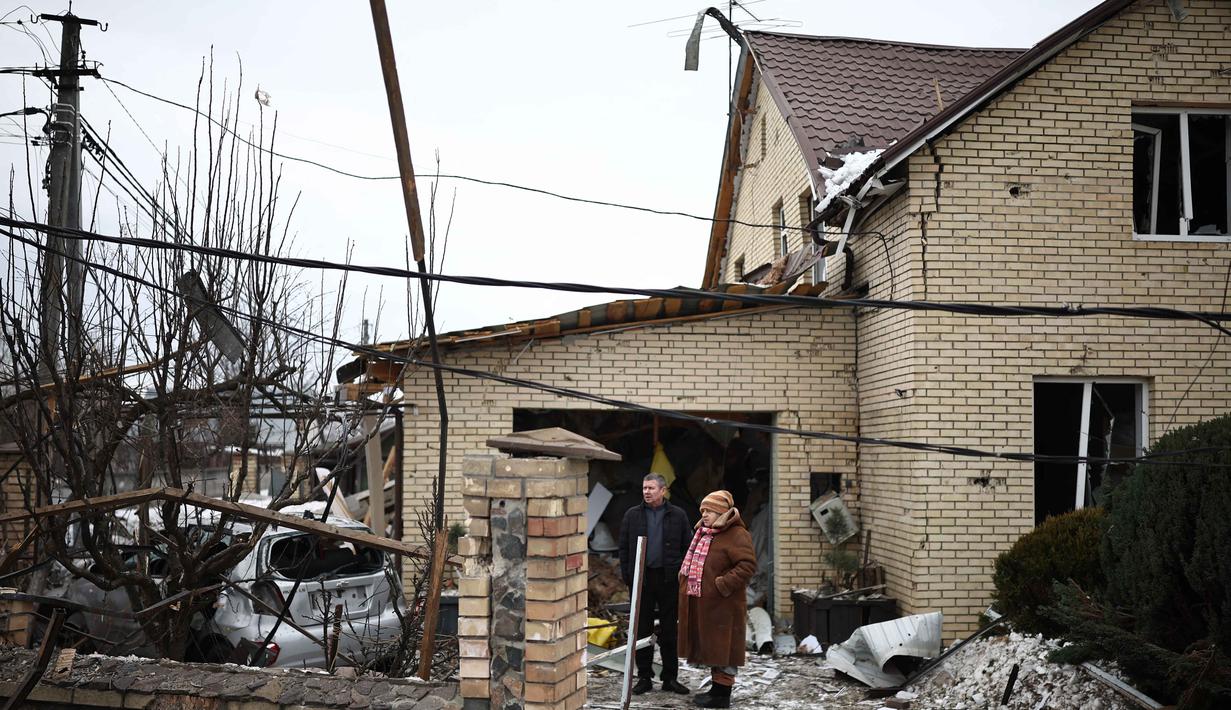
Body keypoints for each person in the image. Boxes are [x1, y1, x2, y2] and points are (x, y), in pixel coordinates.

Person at [677, 490, 757, 708]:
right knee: (714, 649)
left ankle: (722, 696)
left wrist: (722, 584)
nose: (704, 515)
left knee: (725, 650)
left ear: (722, 512)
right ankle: (716, 691)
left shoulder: (737, 534)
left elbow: (747, 566)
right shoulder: (705, 533)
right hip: (708, 604)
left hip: (725, 605)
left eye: (709, 511)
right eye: (703, 510)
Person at [618, 473, 693, 695]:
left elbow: (687, 547)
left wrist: (680, 572)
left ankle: (670, 677)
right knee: (642, 628)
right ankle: (644, 677)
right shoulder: (632, 515)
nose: (646, 492)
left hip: (668, 579)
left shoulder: (677, 515)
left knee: (670, 629)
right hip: (642, 579)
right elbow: (623, 548)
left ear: (663, 490)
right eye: (644, 488)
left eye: (651, 488)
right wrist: (628, 576)